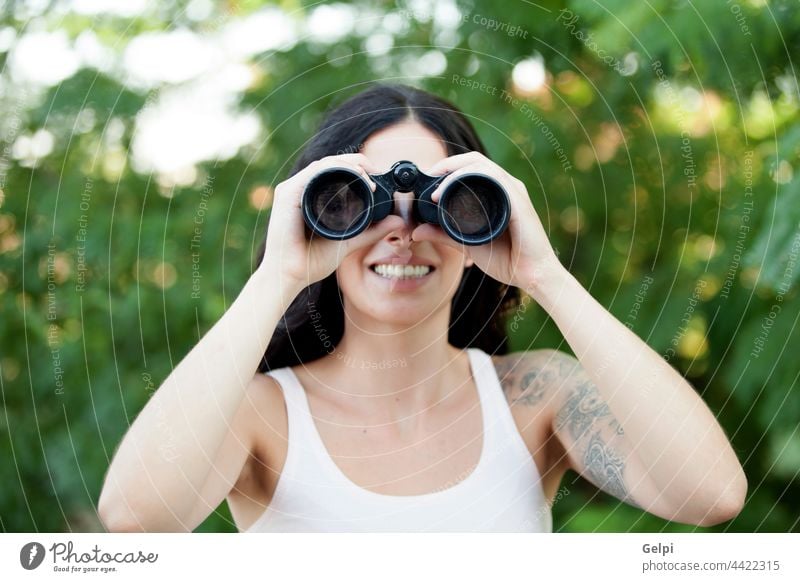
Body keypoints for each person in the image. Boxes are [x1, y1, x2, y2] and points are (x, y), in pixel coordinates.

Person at [98, 83, 747, 532]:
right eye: (362, 199)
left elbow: (710, 493)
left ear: (483, 217)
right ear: (319, 214)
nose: (403, 229)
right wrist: (280, 274)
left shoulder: (532, 397)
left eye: (443, 200)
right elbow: (135, 517)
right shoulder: (261, 415)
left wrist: (543, 273)